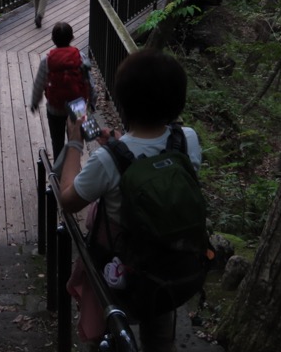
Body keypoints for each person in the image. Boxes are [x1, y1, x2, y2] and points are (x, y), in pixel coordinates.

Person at [57, 49, 202, 351]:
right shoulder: (186, 140)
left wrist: (74, 143)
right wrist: (122, 144)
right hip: (169, 266)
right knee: (160, 336)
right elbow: (150, 157)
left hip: (118, 273)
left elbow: (68, 200)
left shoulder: (106, 161)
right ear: (178, 101)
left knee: (107, 331)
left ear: (123, 101)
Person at [30, 22, 97, 160]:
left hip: (56, 107)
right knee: (76, 141)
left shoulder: (47, 60)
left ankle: (58, 175)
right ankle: (74, 170)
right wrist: (92, 102)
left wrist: (34, 102)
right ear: (72, 37)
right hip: (78, 106)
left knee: (57, 142)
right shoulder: (81, 57)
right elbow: (89, 82)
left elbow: (39, 84)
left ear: (53, 39)